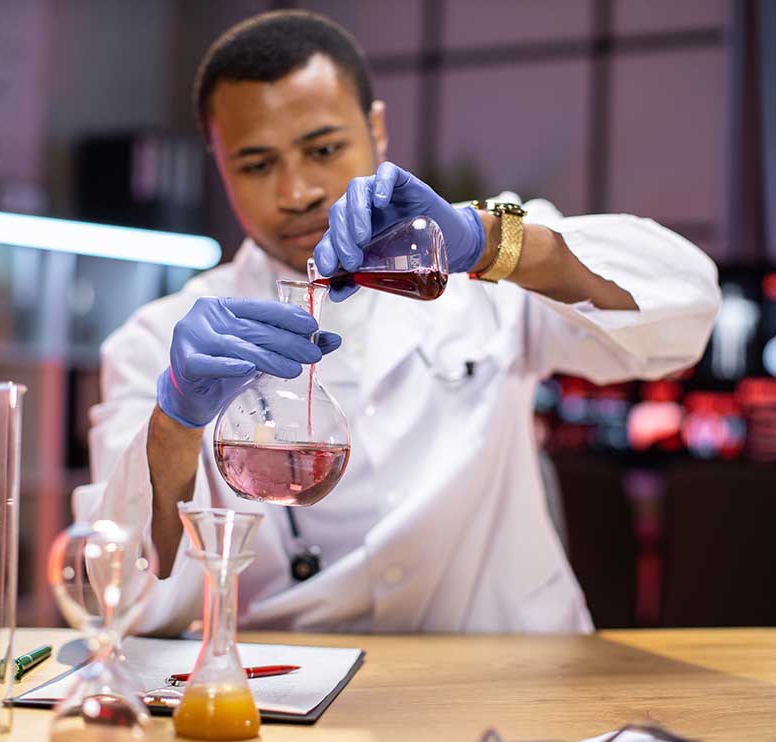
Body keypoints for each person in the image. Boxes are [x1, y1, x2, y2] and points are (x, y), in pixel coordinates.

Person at [73, 10, 721, 636]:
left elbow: (687, 311)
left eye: (323, 148)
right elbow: (123, 598)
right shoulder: (158, 341)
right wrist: (176, 426)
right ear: (219, 163)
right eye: (257, 164)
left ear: (376, 130)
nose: (297, 190)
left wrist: (488, 243)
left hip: (508, 675)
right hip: (287, 692)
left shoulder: (484, 280)